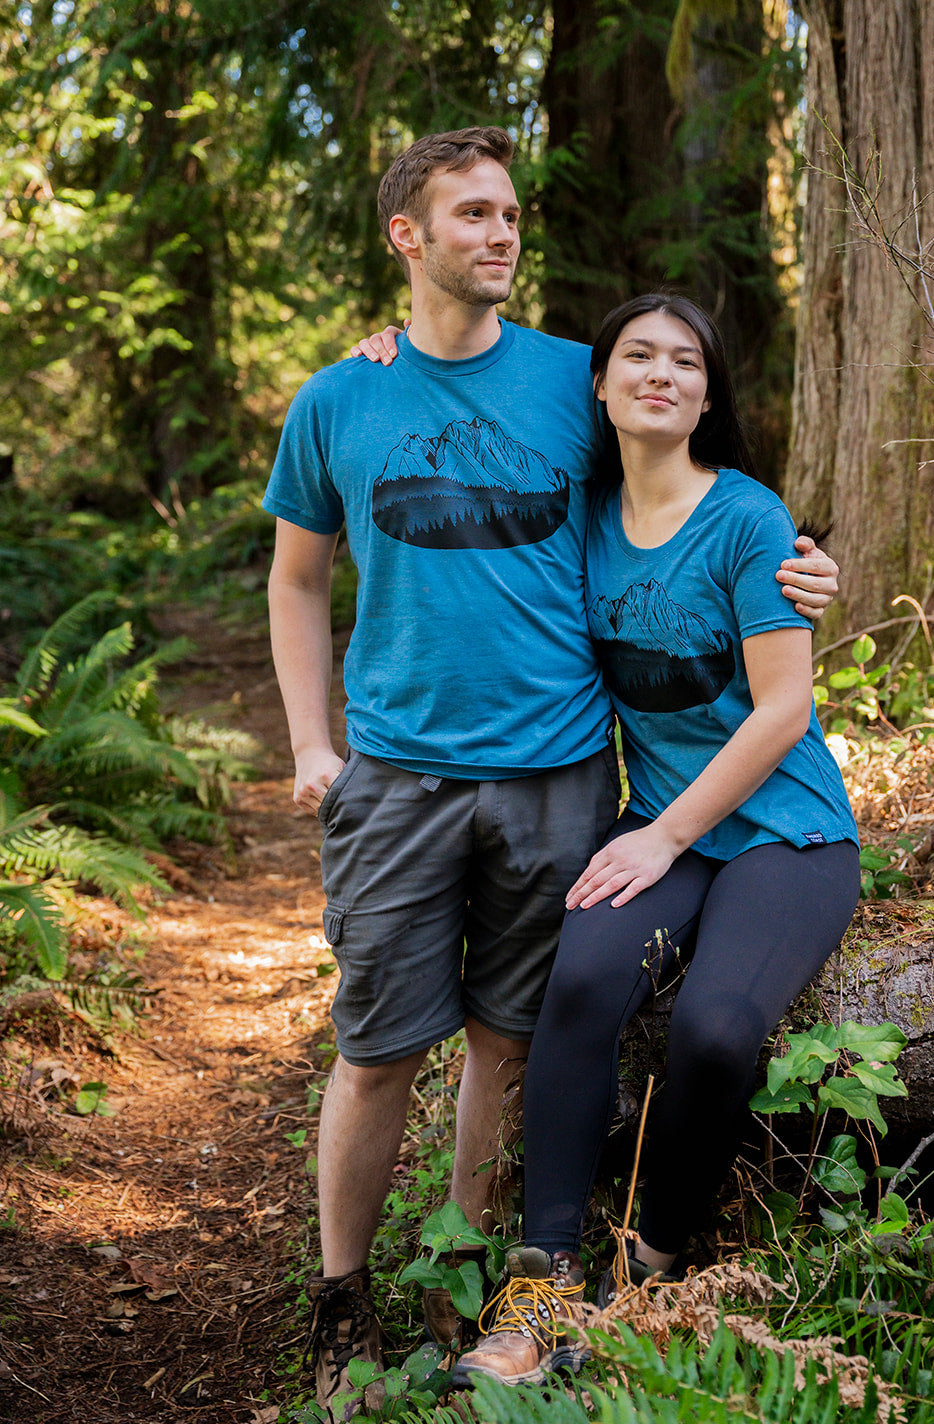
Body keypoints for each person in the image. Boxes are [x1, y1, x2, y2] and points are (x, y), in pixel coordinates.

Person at [264, 128, 838, 1421]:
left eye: (512, 214)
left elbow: (696, 503)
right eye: (472, 214)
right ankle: (370, 1293)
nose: (502, 234)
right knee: (395, 1045)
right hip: (414, 781)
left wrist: (806, 568)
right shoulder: (348, 400)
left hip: (591, 787)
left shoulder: (593, 395)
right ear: (407, 235)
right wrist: (310, 743)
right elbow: (301, 574)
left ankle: (501, 1285)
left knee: (528, 1038)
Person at [451, 293, 860, 1390]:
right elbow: (469, 405)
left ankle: (648, 1270)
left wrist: (665, 837)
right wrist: (394, 348)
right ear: (600, 383)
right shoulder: (577, 518)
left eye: (686, 361)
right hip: (666, 827)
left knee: (716, 1033)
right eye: (637, 354)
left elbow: (781, 711)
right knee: (581, 982)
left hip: (785, 828)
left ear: (708, 396)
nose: (660, 374)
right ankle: (541, 1284)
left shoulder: (749, 520)